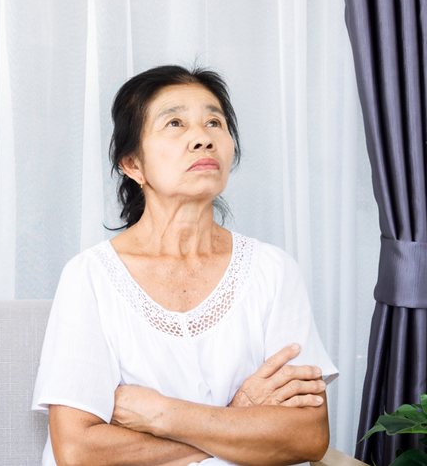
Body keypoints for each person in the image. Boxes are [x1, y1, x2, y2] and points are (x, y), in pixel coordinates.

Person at [32, 65, 338, 466]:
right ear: (132, 165)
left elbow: (307, 436)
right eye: (174, 123)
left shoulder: (273, 271)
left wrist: (163, 415)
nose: (202, 138)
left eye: (215, 122)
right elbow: (78, 449)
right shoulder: (90, 276)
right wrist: (239, 419)